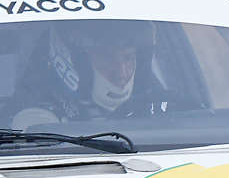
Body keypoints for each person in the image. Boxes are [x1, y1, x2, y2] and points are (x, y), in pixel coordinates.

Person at [10, 21, 169, 129]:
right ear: (74, 61)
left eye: (128, 58)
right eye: (108, 58)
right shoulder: (36, 118)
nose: (121, 73)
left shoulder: (158, 103)